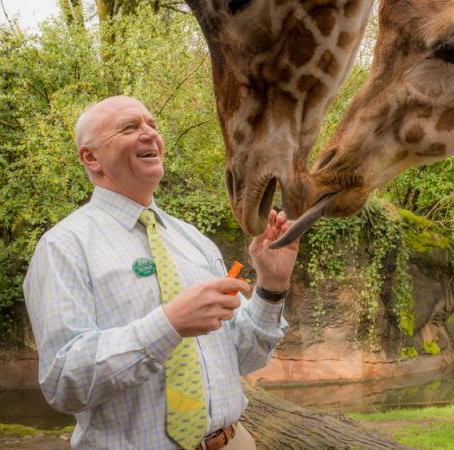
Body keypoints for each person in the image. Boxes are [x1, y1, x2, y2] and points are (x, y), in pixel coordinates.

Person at [23, 95, 298, 450]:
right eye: (129, 127)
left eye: (152, 125)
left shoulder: (194, 241)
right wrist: (167, 325)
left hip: (235, 442)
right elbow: (64, 383)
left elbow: (243, 358)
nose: (149, 133)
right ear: (90, 157)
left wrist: (271, 287)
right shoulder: (63, 247)